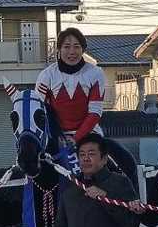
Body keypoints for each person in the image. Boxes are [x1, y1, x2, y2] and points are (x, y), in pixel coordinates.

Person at [35, 27, 138, 179]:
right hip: (55, 136)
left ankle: (120, 185)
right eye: (66, 47)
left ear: (83, 49)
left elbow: (95, 112)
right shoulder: (46, 75)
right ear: (59, 49)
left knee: (116, 162)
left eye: (77, 47)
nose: (72, 52)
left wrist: (76, 138)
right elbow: (39, 111)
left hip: (89, 133)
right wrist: (58, 136)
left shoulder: (95, 73)